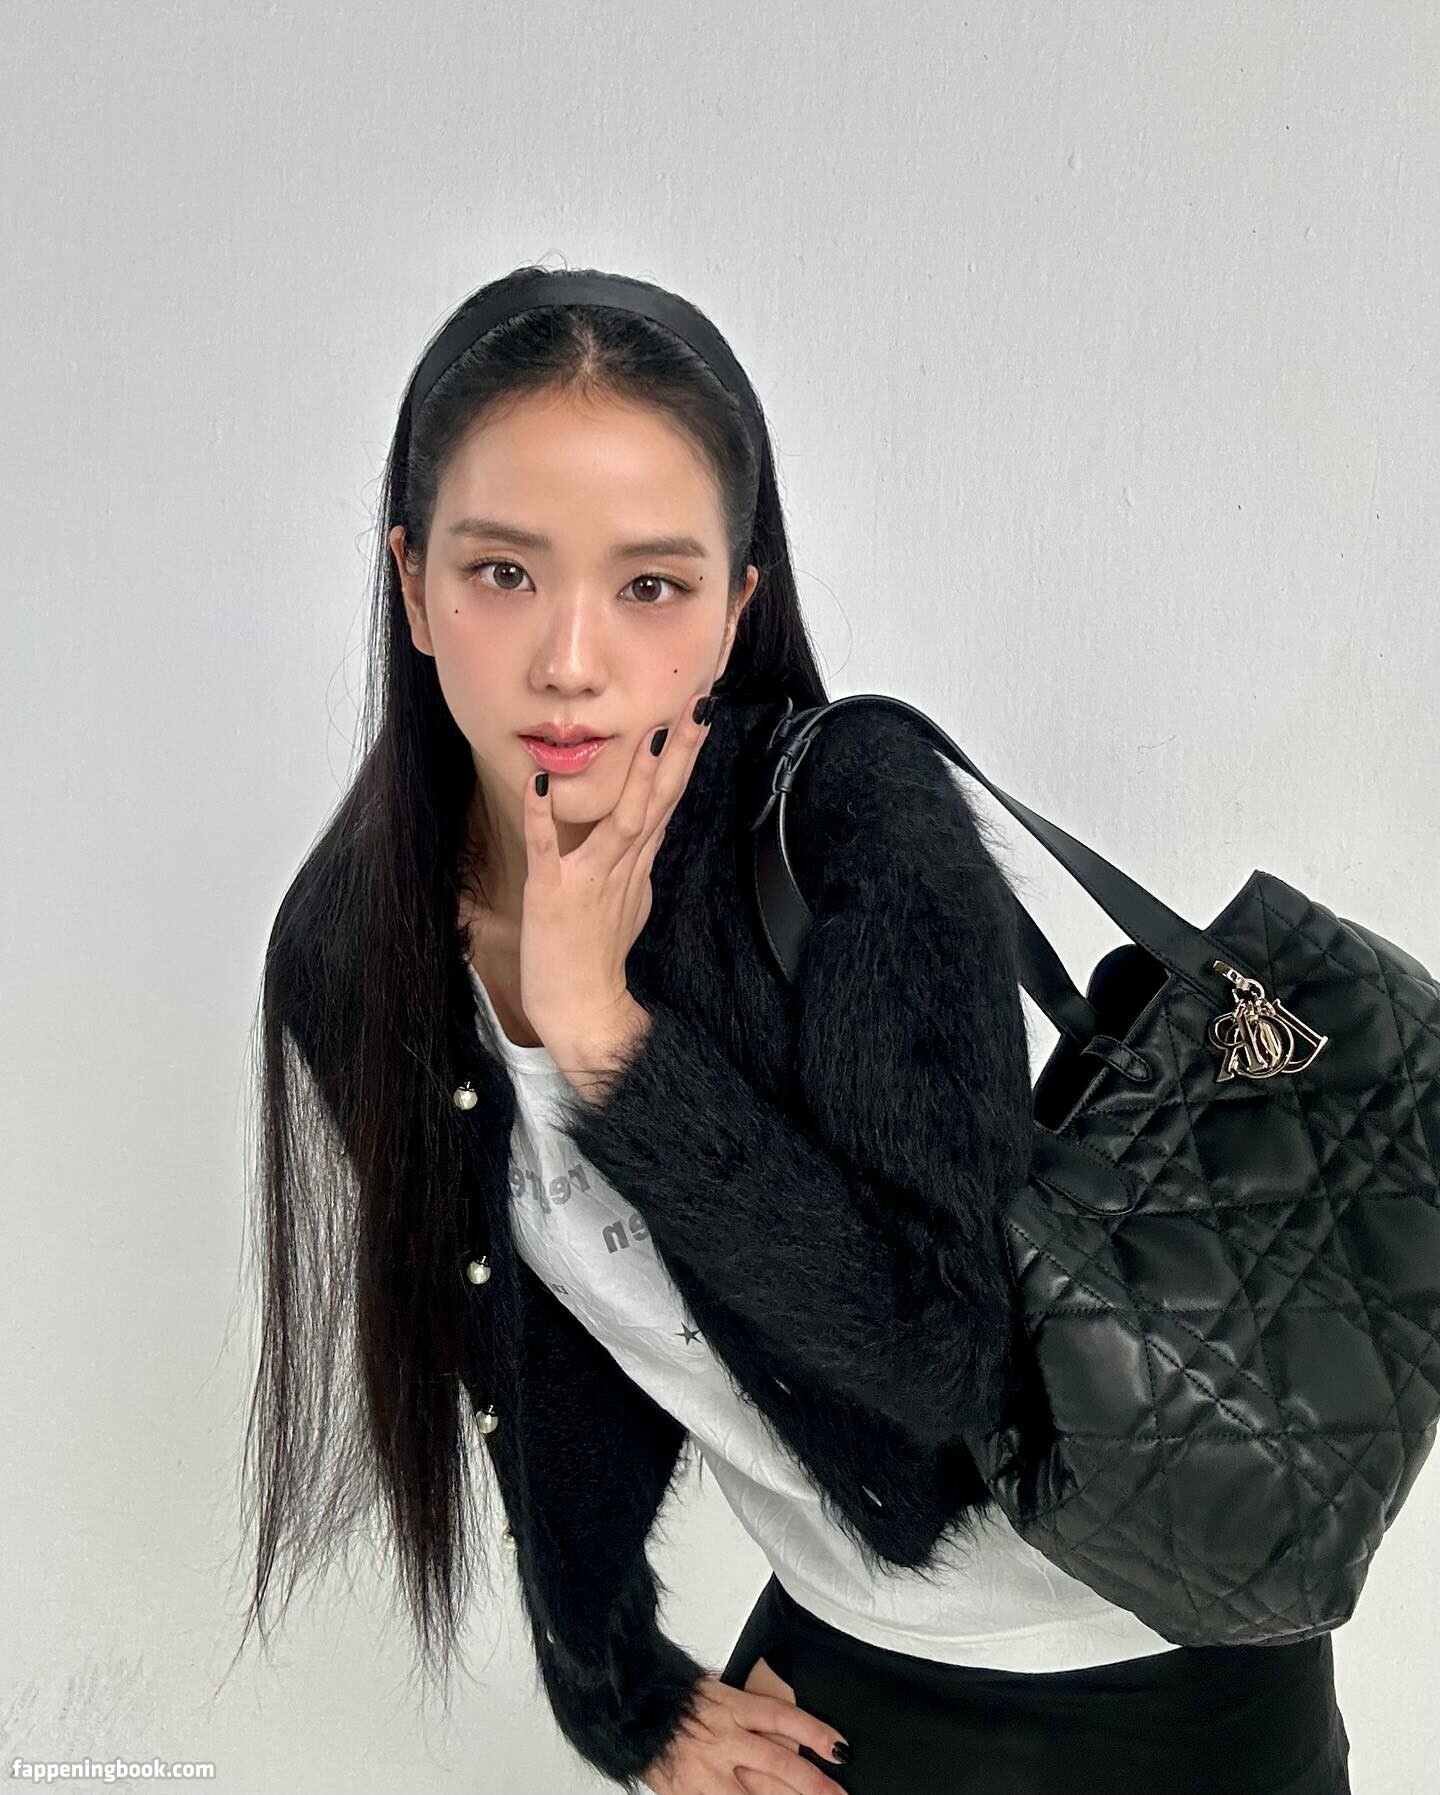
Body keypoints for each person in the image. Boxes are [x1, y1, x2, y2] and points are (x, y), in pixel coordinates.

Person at [234, 265, 1352, 1794]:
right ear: (414, 584)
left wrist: (605, 1039)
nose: (572, 658)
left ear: (734, 610)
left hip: (1159, 1668)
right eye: (503, 572)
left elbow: (940, 1356)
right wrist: (621, 1697)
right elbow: (528, 1353)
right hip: (842, 1654)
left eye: (651, 585)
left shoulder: (847, 820)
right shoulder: (351, 952)